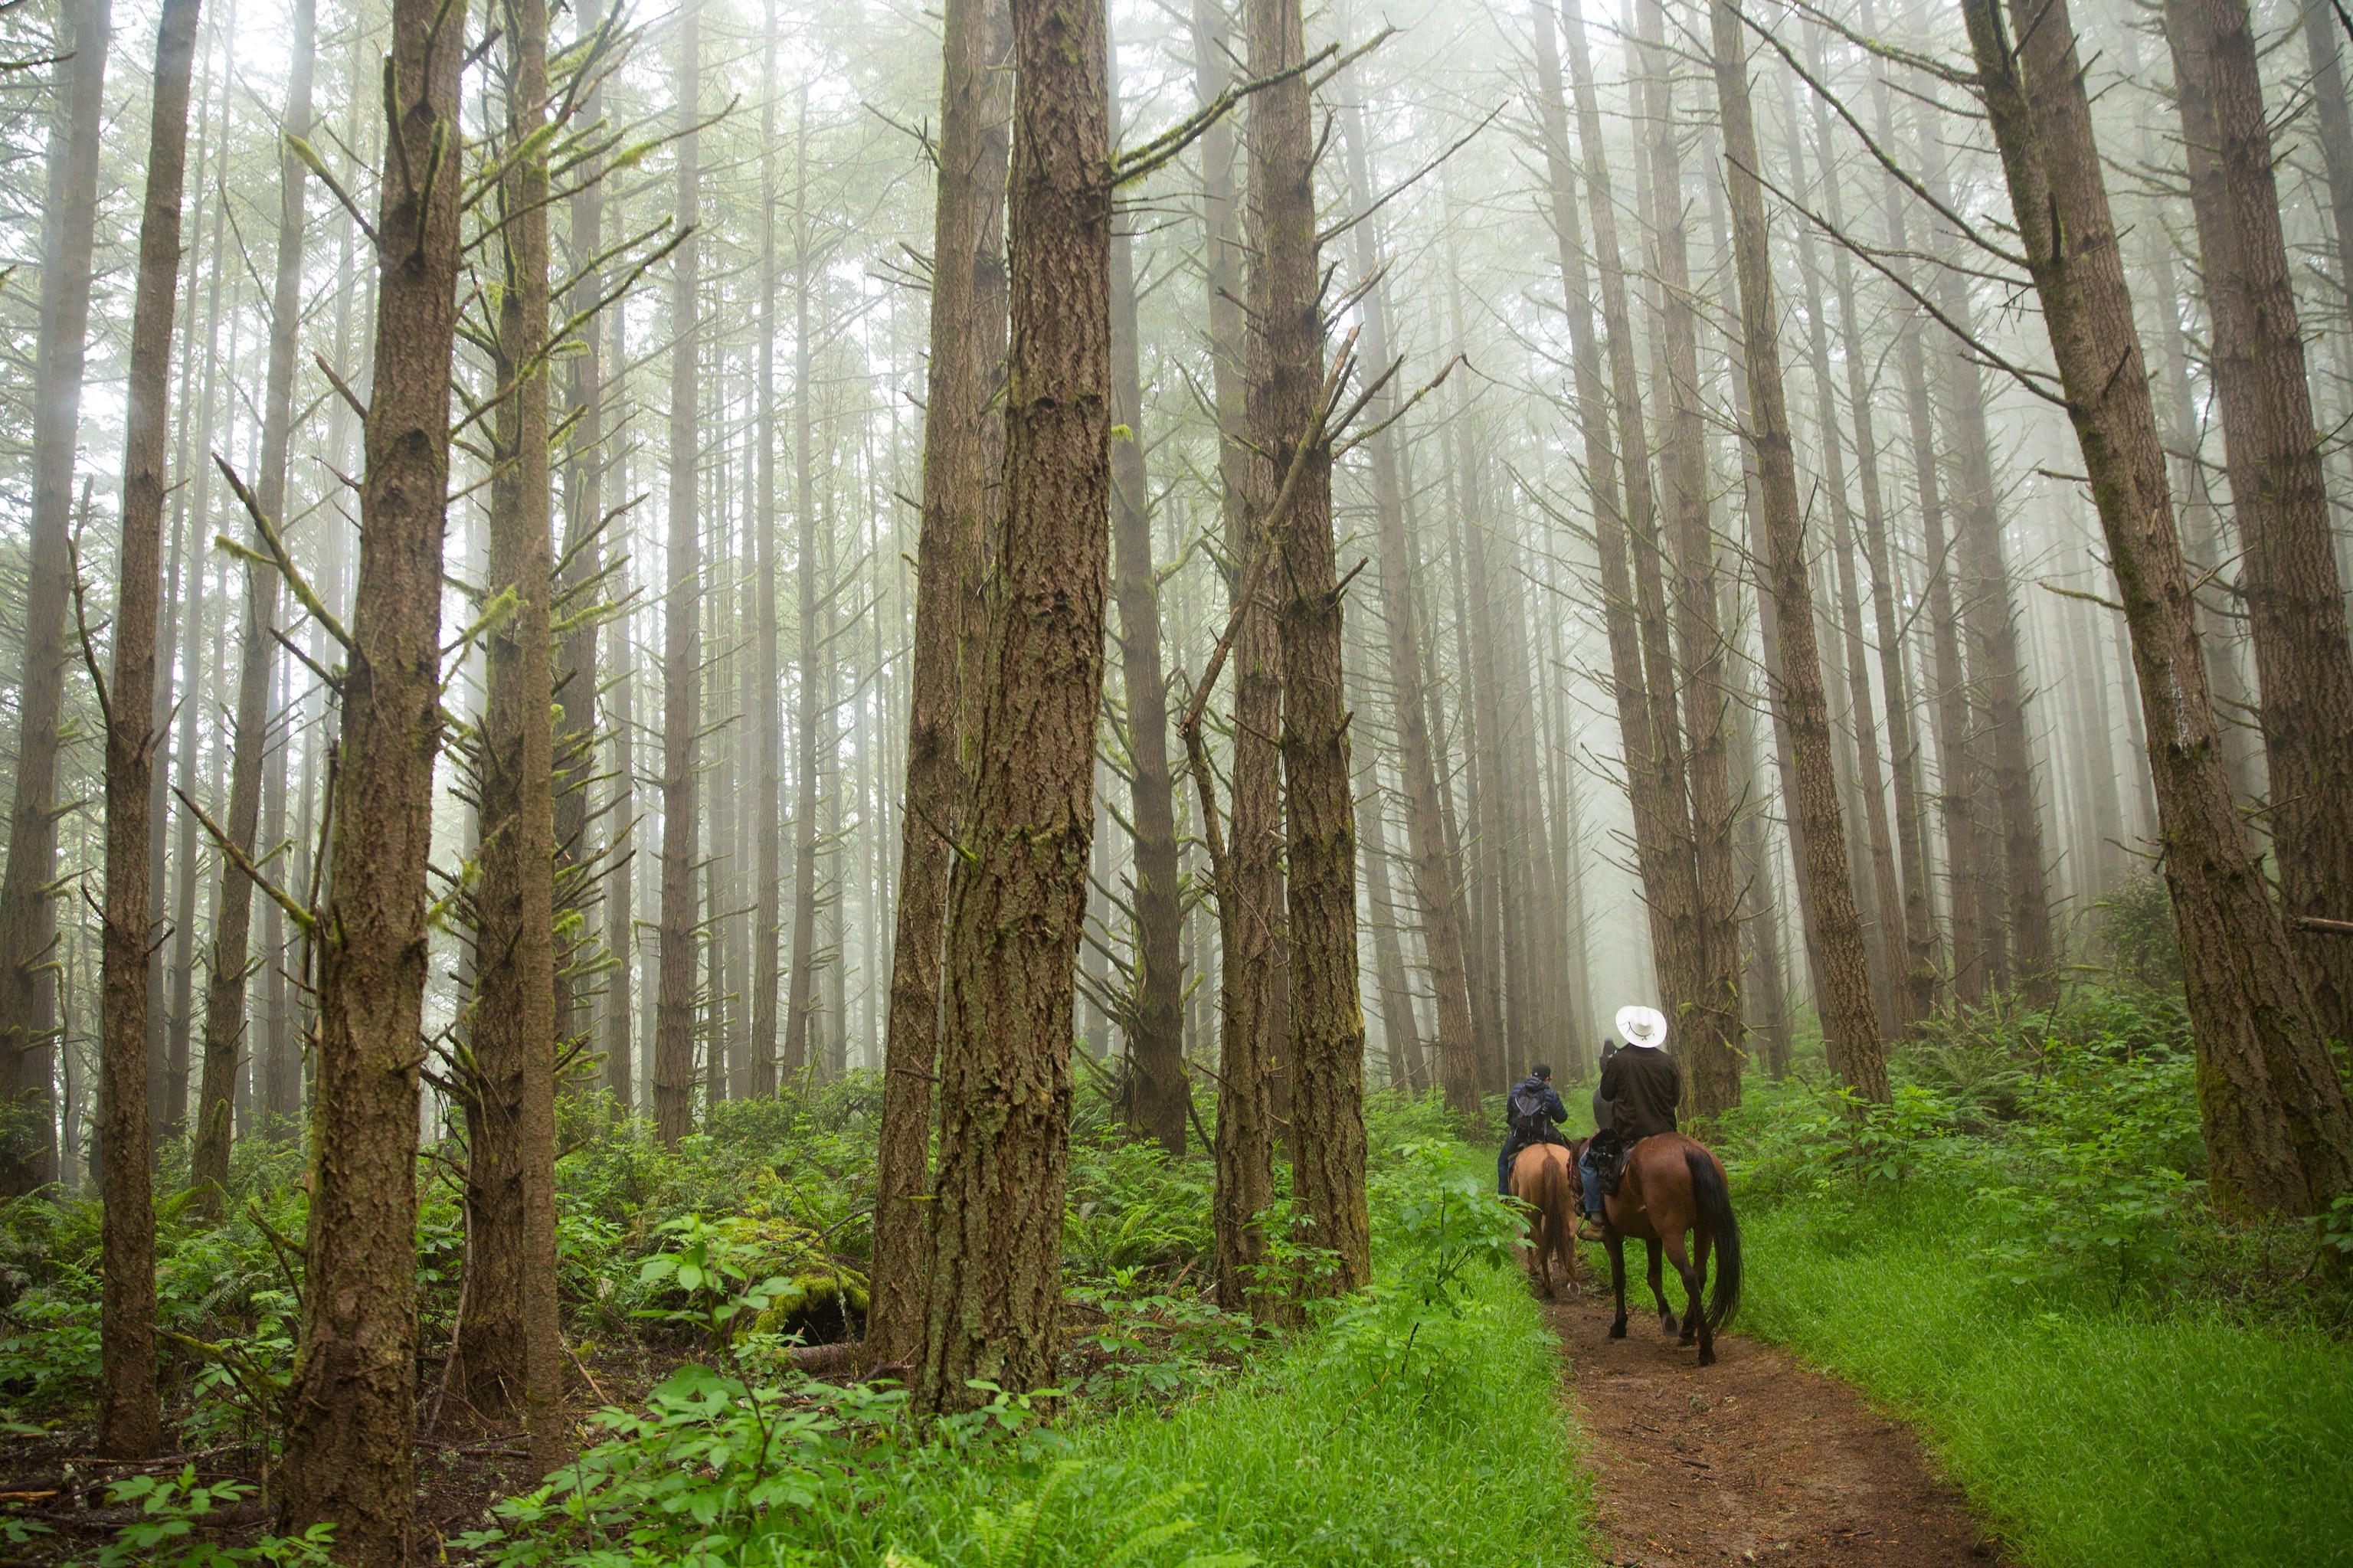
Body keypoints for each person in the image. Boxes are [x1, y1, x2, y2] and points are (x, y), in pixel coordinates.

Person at [1578, 1007, 1680, 1240]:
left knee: (1586, 1162)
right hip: (1666, 1131)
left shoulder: (1619, 1060)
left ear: (1630, 1031)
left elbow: (1605, 1092)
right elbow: (1675, 1099)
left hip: (1628, 1132)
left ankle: (1597, 1221)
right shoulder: (1668, 1061)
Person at [1497, 1063, 1569, 1196]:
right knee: (1572, 1160)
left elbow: (1510, 1109)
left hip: (1519, 1135)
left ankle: (1505, 1198)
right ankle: (1578, 1198)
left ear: (1531, 1075)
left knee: (1502, 1162)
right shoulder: (1551, 1094)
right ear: (1548, 1079)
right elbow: (1561, 1118)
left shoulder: (1517, 1090)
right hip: (1544, 1135)